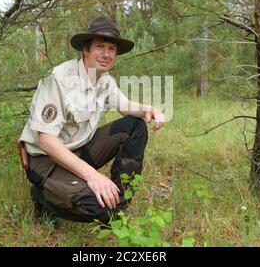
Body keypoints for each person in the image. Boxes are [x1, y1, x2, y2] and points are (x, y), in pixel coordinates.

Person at [19, 16, 165, 225]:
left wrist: (149, 109)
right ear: (85, 50)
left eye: (112, 49)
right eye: (99, 47)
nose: (106, 54)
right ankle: (43, 197)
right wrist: (93, 177)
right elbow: (46, 141)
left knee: (135, 125)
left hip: (79, 151)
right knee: (100, 210)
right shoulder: (59, 79)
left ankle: (119, 204)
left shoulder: (104, 80)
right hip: (46, 161)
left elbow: (125, 107)